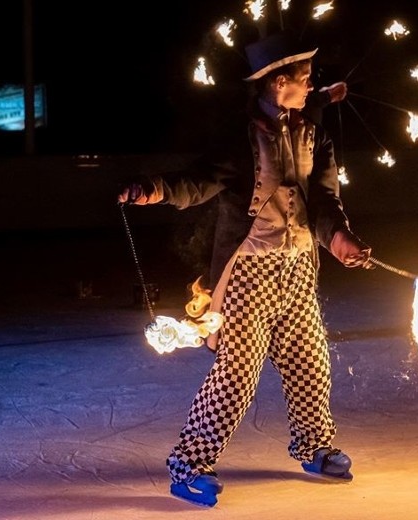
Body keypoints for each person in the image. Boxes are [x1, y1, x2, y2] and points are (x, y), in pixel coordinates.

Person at [117, 31, 373, 508]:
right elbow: (197, 181)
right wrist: (153, 188)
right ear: (279, 83)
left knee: (309, 361)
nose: (311, 83)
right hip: (249, 274)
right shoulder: (241, 138)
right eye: (304, 77)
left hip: (298, 267)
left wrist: (338, 238)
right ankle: (188, 465)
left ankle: (313, 446)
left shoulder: (315, 134)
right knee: (237, 374)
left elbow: (325, 200)